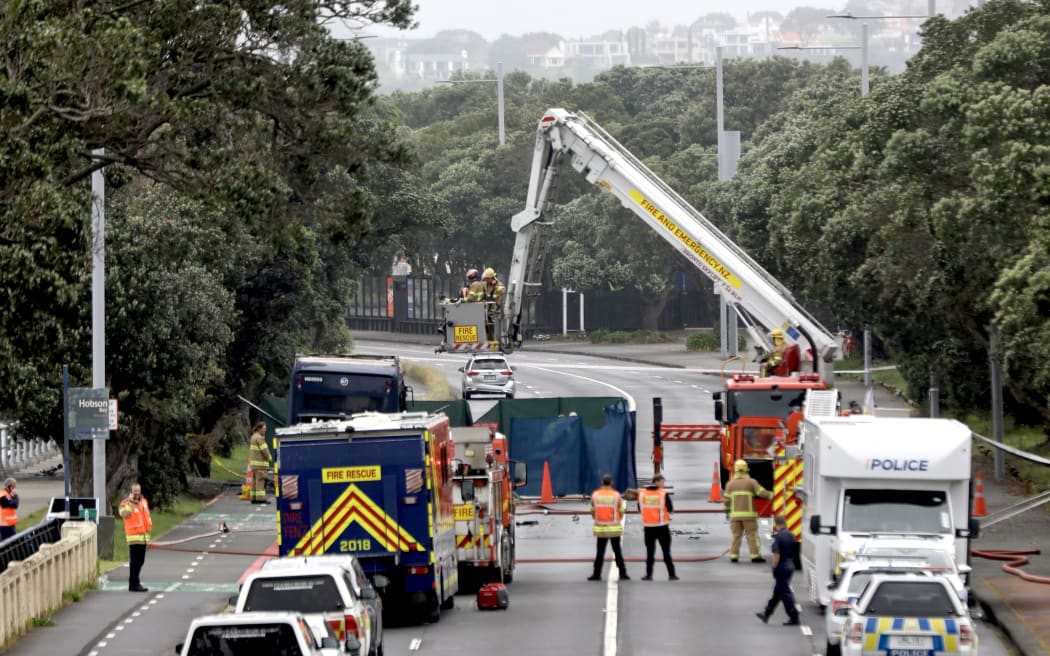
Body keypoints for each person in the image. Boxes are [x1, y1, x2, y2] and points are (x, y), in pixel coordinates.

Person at [724, 459, 772, 563]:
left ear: (735, 470)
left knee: (736, 536)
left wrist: (727, 511)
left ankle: (733, 556)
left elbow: (727, 501)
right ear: (746, 470)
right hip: (749, 516)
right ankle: (755, 556)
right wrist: (772, 495)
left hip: (735, 516)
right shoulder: (751, 482)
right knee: (752, 536)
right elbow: (761, 493)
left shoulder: (730, 484)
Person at [756, 514, 801, 625]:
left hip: (782, 567)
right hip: (790, 565)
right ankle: (766, 613)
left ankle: (794, 615)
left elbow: (776, 554)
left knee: (784, 592)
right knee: (778, 591)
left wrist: (774, 566)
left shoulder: (778, 537)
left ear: (776, 524)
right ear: (785, 523)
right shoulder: (792, 535)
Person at [588, 474, 630, 582]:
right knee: (617, 552)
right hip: (614, 528)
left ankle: (596, 574)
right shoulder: (616, 495)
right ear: (611, 483)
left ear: (602, 482)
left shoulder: (595, 495)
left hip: (600, 528)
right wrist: (616, 519)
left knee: (600, 553)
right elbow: (621, 510)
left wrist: (598, 519)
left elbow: (592, 510)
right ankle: (623, 573)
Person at [638, 474, 678, 581]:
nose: (663, 484)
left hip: (648, 527)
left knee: (650, 552)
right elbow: (670, 508)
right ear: (656, 481)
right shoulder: (663, 494)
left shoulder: (642, 494)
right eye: (662, 482)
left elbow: (639, 508)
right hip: (662, 527)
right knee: (666, 552)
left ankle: (648, 574)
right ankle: (672, 574)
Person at [119, 483, 153, 592]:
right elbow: (124, 514)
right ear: (131, 492)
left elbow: (146, 517)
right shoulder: (125, 503)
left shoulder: (143, 502)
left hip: (143, 537)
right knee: (135, 562)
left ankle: (134, 582)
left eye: (138, 491)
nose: (137, 493)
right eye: (135, 491)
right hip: (133, 538)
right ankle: (134, 583)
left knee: (141, 561)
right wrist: (130, 502)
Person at [249, 421, 273, 505]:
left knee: (254, 481)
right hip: (260, 464)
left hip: (254, 465)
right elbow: (264, 450)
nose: (265, 431)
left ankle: (254, 498)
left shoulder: (253, 437)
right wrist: (270, 458)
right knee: (260, 481)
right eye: (264, 429)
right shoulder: (259, 438)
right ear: (259, 428)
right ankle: (260, 499)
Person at [481, 268, 505, 346]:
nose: (485, 280)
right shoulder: (486, 284)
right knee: (487, 324)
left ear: (491, 278)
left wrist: (495, 289)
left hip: (495, 309)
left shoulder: (499, 285)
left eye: (487, 279)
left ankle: (495, 341)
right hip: (488, 309)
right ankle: (489, 340)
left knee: (493, 325)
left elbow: (500, 292)